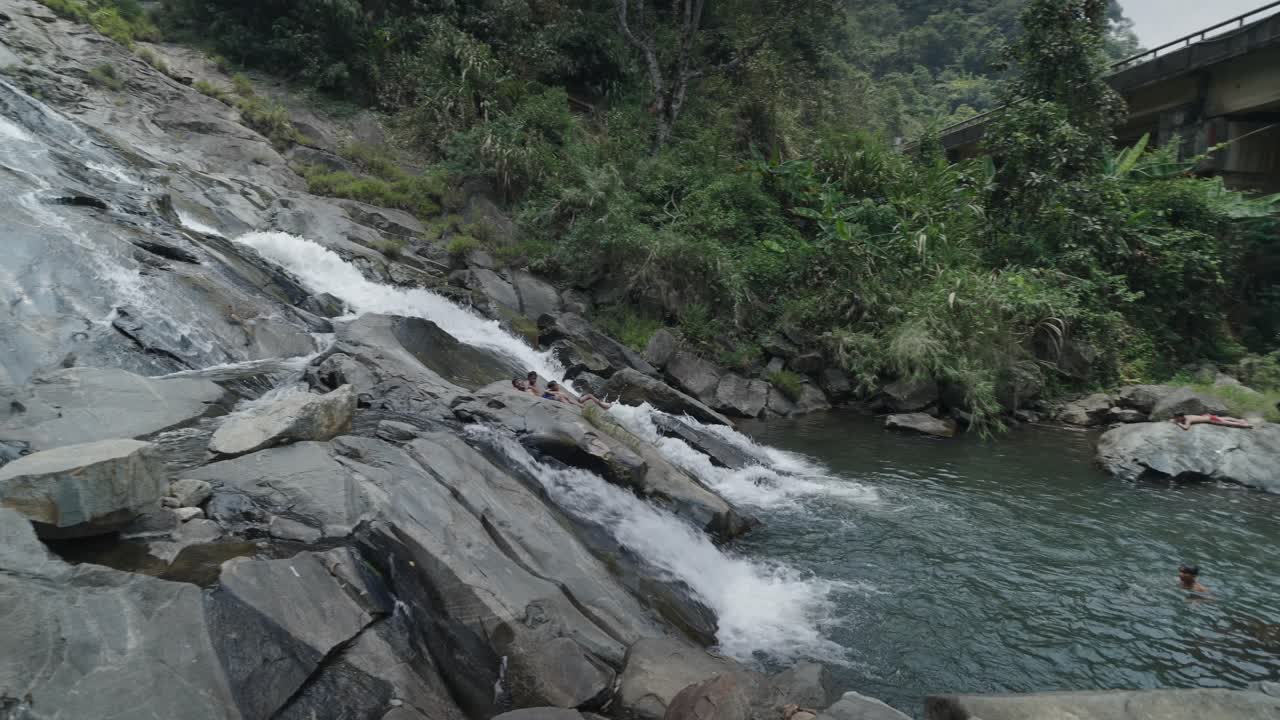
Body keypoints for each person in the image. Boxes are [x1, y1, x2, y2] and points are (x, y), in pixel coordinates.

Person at [543, 381, 613, 410]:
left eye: (557, 384)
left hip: (576, 399)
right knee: (588, 397)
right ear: (552, 388)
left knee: (589, 395)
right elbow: (569, 400)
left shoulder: (557, 391)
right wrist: (580, 406)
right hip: (574, 402)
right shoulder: (555, 393)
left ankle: (603, 405)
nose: (558, 385)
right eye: (556, 385)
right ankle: (603, 405)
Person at [1171, 413, 1253, 431]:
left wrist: (1178, 424)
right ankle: (1240, 420)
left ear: (1181, 417)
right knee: (1225, 418)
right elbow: (1174, 419)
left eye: (1177, 418)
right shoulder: (1186, 416)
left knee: (1227, 422)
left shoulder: (1188, 420)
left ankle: (1246, 425)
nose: (1176, 419)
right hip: (1207, 415)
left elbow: (1186, 428)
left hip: (1211, 419)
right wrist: (1174, 420)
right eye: (1176, 418)